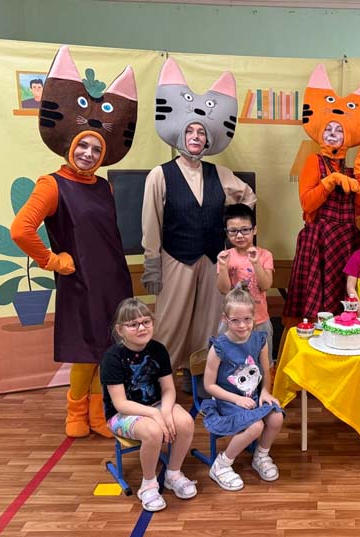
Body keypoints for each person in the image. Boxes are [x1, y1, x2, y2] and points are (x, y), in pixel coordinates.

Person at [11, 46, 136, 438]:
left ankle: (99, 413)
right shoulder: (52, 184)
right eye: (83, 145)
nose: (87, 153)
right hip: (81, 281)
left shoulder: (103, 186)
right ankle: (76, 410)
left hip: (113, 279)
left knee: (110, 348)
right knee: (87, 350)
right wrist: (52, 261)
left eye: (96, 148)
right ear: (70, 145)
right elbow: (21, 230)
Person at [142, 57, 256, 379]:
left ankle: (200, 379)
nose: (196, 136)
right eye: (190, 131)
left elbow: (247, 197)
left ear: (208, 139)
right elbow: (151, 223)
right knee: (171, 322)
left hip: (211, 259)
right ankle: (160, 379)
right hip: (176, 258)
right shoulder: (160, 175)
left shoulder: (220, 173)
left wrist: (234, 233)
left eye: (201, 132)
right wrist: (152, 264)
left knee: (208, 323)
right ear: (180, 134)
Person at [282, 64, 360, 329]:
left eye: (339, 130)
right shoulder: (313, 162)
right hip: (318, 240)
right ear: (321, 134)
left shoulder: (352, 168)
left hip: (345, 241)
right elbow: (307, 203)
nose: (333, 135)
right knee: (314, 308)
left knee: (342, 304)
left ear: (347, 136)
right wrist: (330, 180)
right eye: (329, 130)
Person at [100, 298, 198, 512]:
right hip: (122, 414)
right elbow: (120, 403)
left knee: (186, 422)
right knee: (153, 431)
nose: (141, 328)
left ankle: (173, 473)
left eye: (146, 322)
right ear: (120, 330)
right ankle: (149, 484)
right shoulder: (112, 358)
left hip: (156, 404)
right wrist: (155, 415)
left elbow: (169, 388)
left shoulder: (158, 349)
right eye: (133, 324)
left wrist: (166, 412)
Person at [202, 288, 284, 491]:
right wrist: (236, 399)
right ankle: (222, 464)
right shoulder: (219, 347)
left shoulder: (259, 340)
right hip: (227, 401)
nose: (242, 325)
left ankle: (261, 456)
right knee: (256, 426)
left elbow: (266, 370)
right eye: (235, 320)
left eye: (247, 319)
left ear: (254, 316)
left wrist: (265, 391)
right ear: (225, 319)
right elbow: (209, 385)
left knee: (276, 418)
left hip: (253, 397)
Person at [217, 203, 275, 365]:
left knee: (263, 363)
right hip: (231, 320)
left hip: (259, 319)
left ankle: (264, 383)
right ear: (227, 232)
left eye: (245, 230)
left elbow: (265, 285)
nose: (239, 235)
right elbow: (223, 290)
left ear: (254, 230)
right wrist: (223, 267)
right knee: (229, 363)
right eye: (233, 231)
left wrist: (255, 263)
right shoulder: (225, 256)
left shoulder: (264, 255)